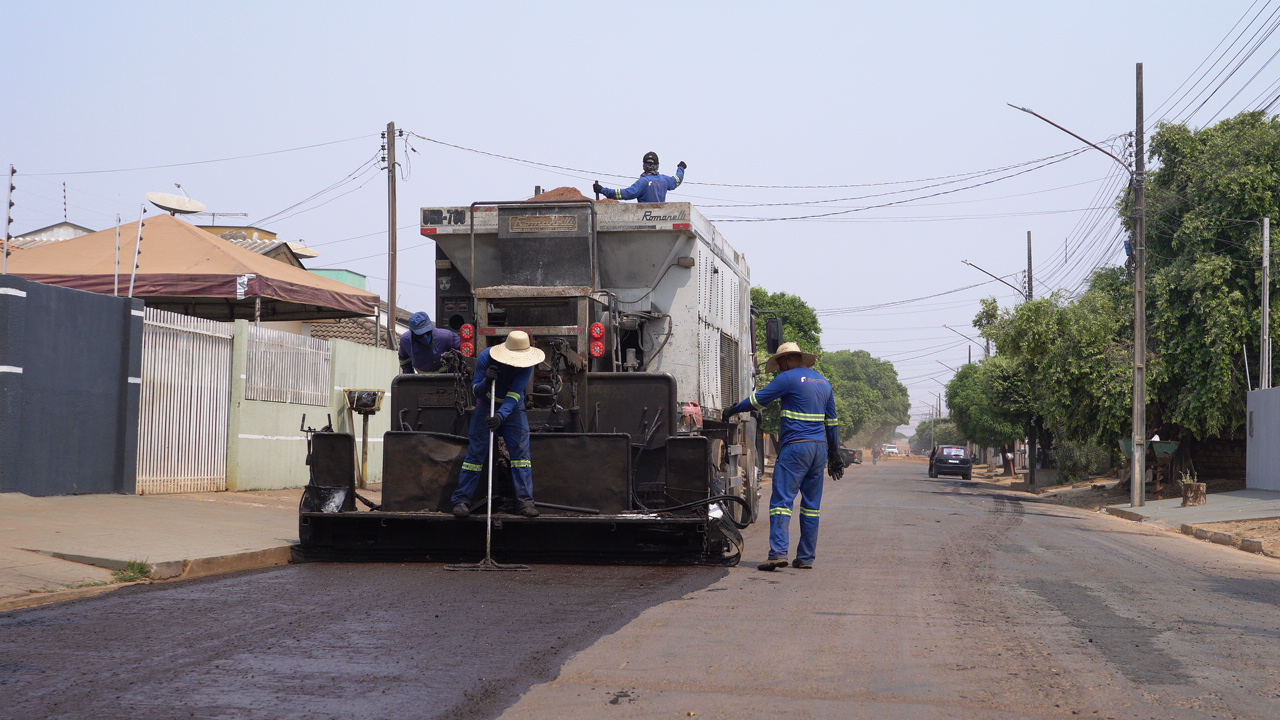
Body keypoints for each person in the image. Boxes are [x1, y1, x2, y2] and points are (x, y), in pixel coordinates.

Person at [722, 342, 842, 571]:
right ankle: (806, 557)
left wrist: (734, 409)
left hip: (796, 448)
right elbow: (832, 421)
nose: (778, 369)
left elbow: (759, 400)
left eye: (778, 364)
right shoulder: (824, 383)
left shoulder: (788, 379)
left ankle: (778, 553)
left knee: (781, 502)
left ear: (786, 360)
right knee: (811, 506)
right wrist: (834, 453)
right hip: (819, 450)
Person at [451, 331, 546, 519]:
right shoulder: (487, 357)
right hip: (486, 405)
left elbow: (515, 393)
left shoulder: (527, 365)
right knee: (476, 454)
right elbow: (476, 391)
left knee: (521, 455)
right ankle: (461, 500)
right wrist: (487, 380)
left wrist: (501, 416)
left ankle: (525, 502)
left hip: (513, 410)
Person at [593, 152, 686, 202]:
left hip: (645, 219)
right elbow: (677, 180)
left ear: (644, 165)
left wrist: (603, 190)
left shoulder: (643, 182)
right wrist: (681, 168)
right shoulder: (665, 180)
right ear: (657, 165)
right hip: (662, 219)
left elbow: (626, 194)